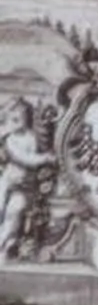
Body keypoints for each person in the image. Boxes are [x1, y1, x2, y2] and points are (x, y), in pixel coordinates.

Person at [0, 100, 46, 261]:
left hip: (24, 185)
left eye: (21, 118)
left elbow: (31, 158)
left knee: (15, 210)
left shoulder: (31, 137)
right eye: (13, 119)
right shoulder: (10, 139)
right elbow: (23, 157)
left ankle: (5, 246)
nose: (17, 123)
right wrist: (44, 159)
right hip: (8, 180)